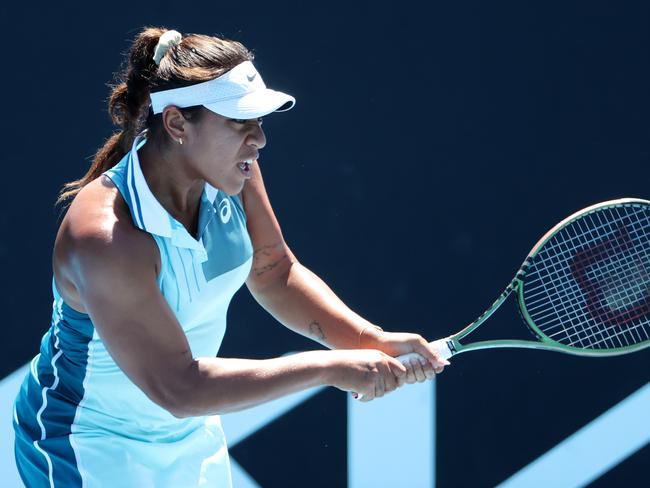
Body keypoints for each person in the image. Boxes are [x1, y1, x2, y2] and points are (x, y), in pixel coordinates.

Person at [13, 27, 450, 487]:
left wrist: (366, 338)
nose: (258, 139)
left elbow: (273, 270)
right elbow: (179, 387)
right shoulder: (105, 238)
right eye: (240, 122)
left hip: (190, 431)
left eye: (259, 121)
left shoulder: (233, 173)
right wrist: (331, 367)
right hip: (85, 444)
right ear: (178, 124)